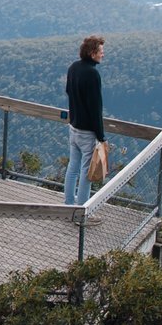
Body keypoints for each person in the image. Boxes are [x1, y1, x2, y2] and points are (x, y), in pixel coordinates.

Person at [62, 35, 107, 206]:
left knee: (73, 167)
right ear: (92, 52)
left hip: (73, 127)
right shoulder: (93, 74)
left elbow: (68, 91)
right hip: (87, 132)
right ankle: (81, 212)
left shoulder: (73, 67)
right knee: (87, 173)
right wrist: (101, 136)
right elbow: (95, 108)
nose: (103, 55)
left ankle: (68, 204)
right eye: (101, 51)